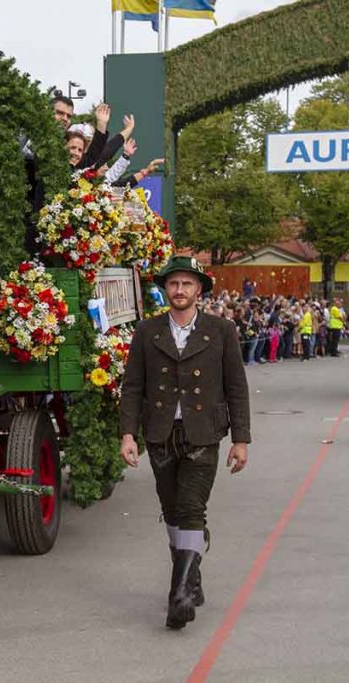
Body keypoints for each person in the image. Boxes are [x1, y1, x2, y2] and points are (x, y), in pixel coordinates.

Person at [119, 255, 251, 630]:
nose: (180, 290)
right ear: (166, 290)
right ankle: (192, 578)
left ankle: (178, 595)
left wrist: (241, 440)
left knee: (192, 509)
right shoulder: (147, 331)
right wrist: (127, 434)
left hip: (203, 435)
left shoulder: (221, 330)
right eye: (174, 284)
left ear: (199, 290)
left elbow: (237, 389)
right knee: (174, 511)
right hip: (160, 434)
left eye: (187, 284)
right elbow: (133, 387)